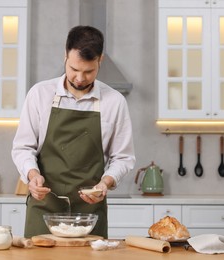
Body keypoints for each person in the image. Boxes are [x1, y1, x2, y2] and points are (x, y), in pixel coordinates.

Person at [11, 25, 135, 238]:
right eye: (74, 69)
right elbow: (23, 147)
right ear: (65, 56)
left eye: (88, 71)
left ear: (100, 61)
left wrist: (105, 183)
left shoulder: (114, 102)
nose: (80, 78)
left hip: (89, 213)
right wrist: (32, 176)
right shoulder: (40, 94)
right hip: (44, 208)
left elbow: (123, 157)